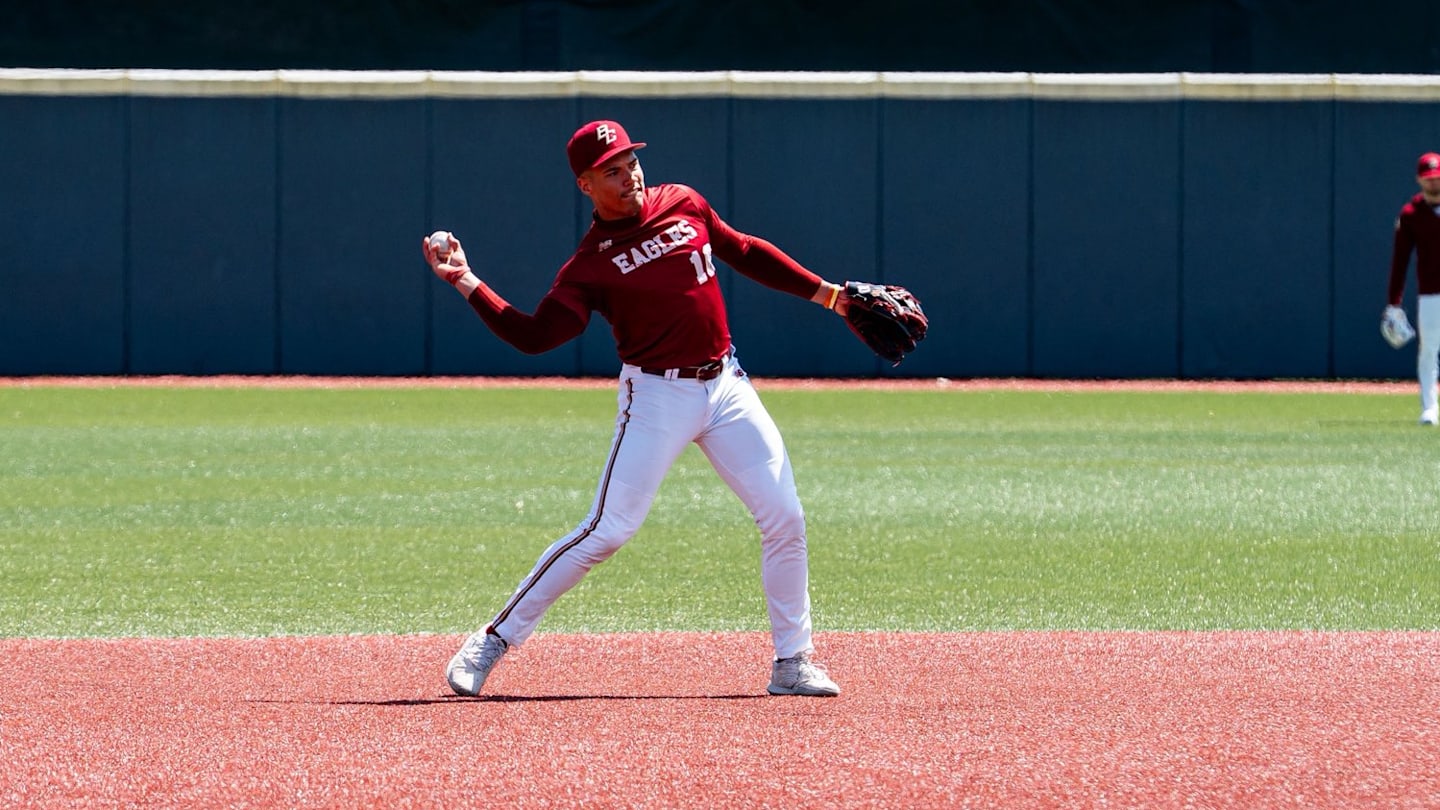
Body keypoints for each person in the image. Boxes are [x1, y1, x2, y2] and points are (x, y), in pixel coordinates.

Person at [422, 119, 862, 697]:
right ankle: (493, 640)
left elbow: (745, 251)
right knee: (607, 530)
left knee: (785, 517)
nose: (628, 173)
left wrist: (831, 296)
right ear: (586, 186)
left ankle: (793, 661)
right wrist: (467, 281)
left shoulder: (683, 201)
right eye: (612, 170)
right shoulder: (589, 267)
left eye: (630, 160)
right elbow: (533, 336)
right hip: (656, 396)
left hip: (726, 386)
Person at [1387, 151, 1440, 425]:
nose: (1434, 183)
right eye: (1429, 178)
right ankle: (1429, 408)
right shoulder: (1410, 214)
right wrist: (1393, 302)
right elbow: (1400, 260)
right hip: (1431, 293)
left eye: (1437, 177)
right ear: (1419, 179)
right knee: (1429, 349)